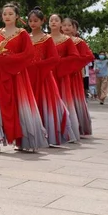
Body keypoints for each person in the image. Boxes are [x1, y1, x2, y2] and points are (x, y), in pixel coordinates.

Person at [0, 3, 48, 152]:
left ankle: (24, 140)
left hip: (17, 75)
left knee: (20, 106)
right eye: (4, 14)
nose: (7, 16)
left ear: (16, 16)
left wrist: (11, 60)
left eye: (10, 14)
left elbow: (28, 53)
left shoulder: (22, 34)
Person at [26, 8, 74, 146]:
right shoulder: (26, 37)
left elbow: (54, 59)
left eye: (36, 21)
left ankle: (49, 135)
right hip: (28, 76)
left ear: (42, 21)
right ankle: (31, 135)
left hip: (44, 76)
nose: (33, 23)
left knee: (45, 104)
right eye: (30, 21)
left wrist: (38, 64)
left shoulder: (47, 39)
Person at [48, 14, 81, 142]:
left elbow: (74, 56)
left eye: (56, 20)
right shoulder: (44, 38)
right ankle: (51, 130)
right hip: (47, 74)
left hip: (61, 75)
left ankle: (67, 131)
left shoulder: (67, 40)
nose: (54, 22)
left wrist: (60, 63)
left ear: (60, 24)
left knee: (64, 101)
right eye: (51, 20)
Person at [62, 18, 94, 136]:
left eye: (69, 25)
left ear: (74, 28)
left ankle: (78, 126)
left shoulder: (78, 42)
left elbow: (88, 56)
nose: (66, 27)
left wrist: (75, 64)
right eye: (64, 25)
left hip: (74, 74)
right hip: (60, 74)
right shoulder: (58, 40)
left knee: (74, 98)